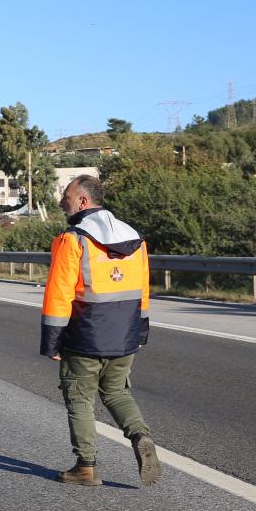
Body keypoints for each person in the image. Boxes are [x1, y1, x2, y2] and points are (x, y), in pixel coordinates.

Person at [41, 175, 160, 488]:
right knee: (117, 391)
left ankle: (86, 467)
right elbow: (142, 289)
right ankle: (140, 435)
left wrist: (52, 340)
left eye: (65, 196)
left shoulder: (74, 239)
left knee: (79, 399)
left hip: (84, 336)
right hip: (124, 336)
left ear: (82, 201)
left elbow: (59, 292)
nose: (61, 201)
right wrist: (141, 330)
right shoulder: (134, 238)